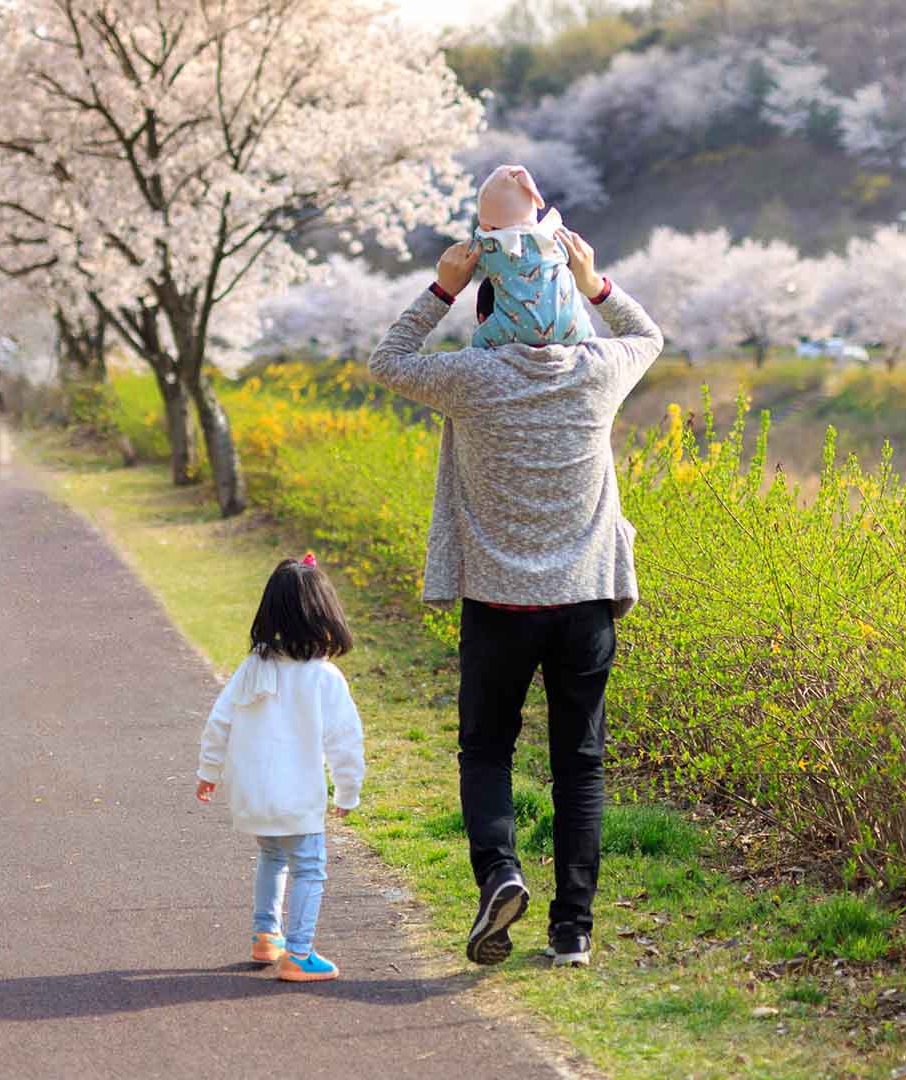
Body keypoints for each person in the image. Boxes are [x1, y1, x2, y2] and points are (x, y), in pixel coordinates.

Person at [369, 227, 662, 970]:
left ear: (488, 310)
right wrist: (595, 281)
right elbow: (648, 333)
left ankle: (500, 873)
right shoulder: (598, 368)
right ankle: (573, 931)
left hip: (499, 605)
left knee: (489, 749)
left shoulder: (471, 376)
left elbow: (387, 361)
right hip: (586, 603)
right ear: (563, 304)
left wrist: (443, 286)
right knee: (580, 763)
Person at [195, 553, 366, 982]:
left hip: (253, 792)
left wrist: (209, 772)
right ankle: (299, 953)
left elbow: (221, 720)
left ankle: (265, 934)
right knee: (310, 867)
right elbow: (345, 741)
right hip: (297, 796)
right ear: (324, 615)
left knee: (272, 855)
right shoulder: (323, 678)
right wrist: (348, 791)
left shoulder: (252, 668)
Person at [469, 164, 594, 350]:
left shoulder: (490, 247)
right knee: (590, 337)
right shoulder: (555, 235)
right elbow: (575, 257)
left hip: (516, 331)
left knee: (478, 343)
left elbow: (464, 265)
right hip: (571, 327)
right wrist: (592, 283)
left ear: (487, 223)